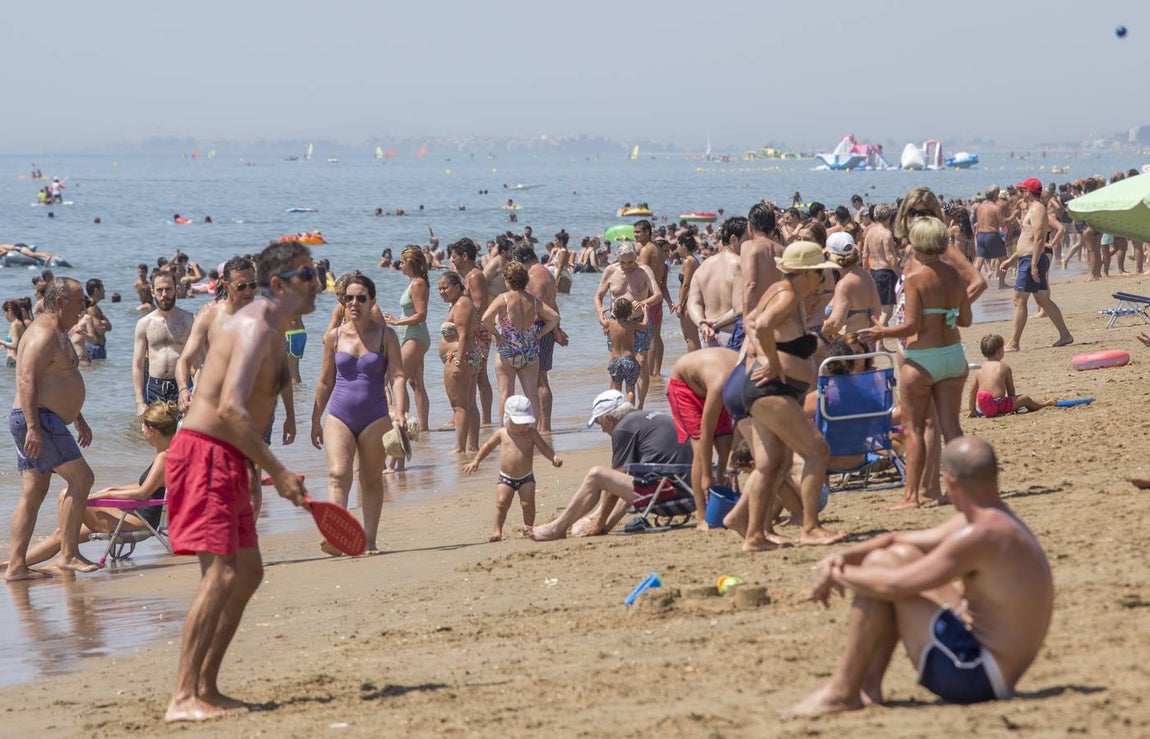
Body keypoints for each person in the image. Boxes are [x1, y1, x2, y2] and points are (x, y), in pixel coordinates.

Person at [782, 437, 1053, 717]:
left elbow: (894, 585)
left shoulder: (981, 536)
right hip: (987, 661)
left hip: (977, 677)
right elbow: (896, 540)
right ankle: (867, 688)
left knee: (882, 572)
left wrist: (838, 574)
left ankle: (841, 691)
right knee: (891, 557)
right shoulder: (994, 520)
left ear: (950, 483)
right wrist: (841, 558)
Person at [164, 241, 314, 723]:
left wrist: (250, 467)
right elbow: (229, 407)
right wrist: (278, 471)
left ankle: (205, 686)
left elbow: (250, 407)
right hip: (204, 454)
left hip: (231, 456)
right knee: (222, 573)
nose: (317, 282)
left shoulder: (275, 329)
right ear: (278, 285)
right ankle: (182, 696)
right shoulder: (253, 326)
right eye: (306, 275)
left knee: (248, 572)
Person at [860, 217, 972, 510]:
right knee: (952, 427)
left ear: (918, 243)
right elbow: (966, 320)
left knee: (914, 429)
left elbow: (910, 327)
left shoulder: (915, 278)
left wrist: (881, 332)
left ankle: (912, 496)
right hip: (952, 354)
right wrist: (944, 313)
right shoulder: (955, 275)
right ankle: (965, 490)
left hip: (923, 359)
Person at [738, 241, 843, 548]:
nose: (821, 283)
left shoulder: (779, 292)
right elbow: (762, 324)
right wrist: (770, 361)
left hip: (768, 390)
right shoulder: (785, 294)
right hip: (771, 389)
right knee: (816, 450)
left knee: (772, 465)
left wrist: (760, 354)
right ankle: (810, 528)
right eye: (820, 275)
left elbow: (751, 321)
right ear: (805, 273)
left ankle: (755, 535)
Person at [5, 278, 98, 581]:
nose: (83, 309)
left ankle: (17, 567)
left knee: (33, 492)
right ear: (60, 303)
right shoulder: (43, 334)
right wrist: (33, 427)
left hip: (42, 419)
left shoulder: (57, 331)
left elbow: (57, 379)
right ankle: (67, 555)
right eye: (79, 303)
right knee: (82, 478)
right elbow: (27, 380)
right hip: (38, 420)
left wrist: (77, 416)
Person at [311, 272, 407, 556]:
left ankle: (370, 539)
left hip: (375, 415)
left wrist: (400, 411)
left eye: (361, 298)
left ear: (372, 301)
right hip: (339, 414)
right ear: (342, 302)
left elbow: (398, 376)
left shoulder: (385, 335)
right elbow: (324, 381)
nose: (354, 303)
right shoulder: (334, 336)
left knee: (372, 478)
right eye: (349, 298)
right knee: (337, 474)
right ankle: (335, 535)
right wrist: (315, 419)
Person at [19, 400, 178, 567]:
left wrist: (105, 495)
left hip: (140, 522)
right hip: (135, 516)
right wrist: (111, 489)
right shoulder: (168, 454)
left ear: (152, 430)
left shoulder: (164, 458)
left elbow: (143, 493)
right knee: (63, 534)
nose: (142, 431)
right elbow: (147, 486)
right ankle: (13, 564)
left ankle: (67, 559)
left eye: (144, 427)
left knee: (67, 495)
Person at [531, 390, 693, 540]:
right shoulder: (647, 418)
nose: (602, 431)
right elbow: (626, 483)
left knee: (597, 475)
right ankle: (588, 521)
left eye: (600, 424)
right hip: (688, 490)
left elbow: (613, 489)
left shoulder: (623, 428)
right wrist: (606, 524)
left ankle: (557, 528)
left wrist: (598, 523)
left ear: (609, 418)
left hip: (667, 492)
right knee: (626, 478)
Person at [463, 395, 562, 542]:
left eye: (526, 423)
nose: (523, 427)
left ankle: (528, 527)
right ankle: (497, 531)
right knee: (501, 503)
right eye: (519, 423)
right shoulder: (502, 433)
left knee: (527, 504)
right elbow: (488, 446)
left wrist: (553, 457)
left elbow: (544, 448)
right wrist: (476, 460)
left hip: (526, 477)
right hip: (506, 477)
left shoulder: (532, 434)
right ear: (507, 418)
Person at [666, 347, 739, 526]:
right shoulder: (720, 385)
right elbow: (707, 433)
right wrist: (707, 475)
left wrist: (731, 465)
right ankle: (701, 515)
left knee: (726, 445)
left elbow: (742, 429)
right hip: (686, 389)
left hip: (712, 381)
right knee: (699, 452)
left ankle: (727, 501)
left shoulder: (748, 380)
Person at [481, 261, 558, 426]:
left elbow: (485, 319)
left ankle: (505, 431)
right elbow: (554, 318)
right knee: (532, 394)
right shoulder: (534, 301)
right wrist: (539, 334)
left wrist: (497, 335)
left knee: (505, 394)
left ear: (507, 280)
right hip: (529, 351)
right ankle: (533, 431)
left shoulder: (503, 299)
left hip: (508, 350)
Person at [1001, 178, 1074, 352]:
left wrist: (1033, 265)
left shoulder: (1037, 209)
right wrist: (1012, 259)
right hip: (1027, 258)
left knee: (1019, 299)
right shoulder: (1033, 209)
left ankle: (1013, 343)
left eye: (1022, 190)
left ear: (1028, 192)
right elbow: (1027, 238)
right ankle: (1065, 335)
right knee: (1042, 299)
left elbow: (1039, 238)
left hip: (1031, 260)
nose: (1020, 194)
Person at [593, 242, 662, 408]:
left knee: (641, 362)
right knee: (615, 362)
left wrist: (643, 302)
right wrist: (600, 312)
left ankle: (640, 406)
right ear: (618, 259)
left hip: (638, 321)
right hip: (616, 322)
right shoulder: (610, 271)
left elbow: (658, 295)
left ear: (635, 258)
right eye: (623, 262)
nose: (626, 266)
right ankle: (613, 406)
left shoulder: (644, 270)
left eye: (630, 262)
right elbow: (598, 296)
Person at [515, 243, 569, 432]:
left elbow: (540, 305)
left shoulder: (532, 274)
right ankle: (542, 424)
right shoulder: (546, 272)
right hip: (547, 326)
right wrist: (557, 329)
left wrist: (551, 331)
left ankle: (544, 426)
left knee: (539, 379)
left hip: (538, 327)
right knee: (540, 377)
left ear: (521, 260)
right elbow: (553, 305)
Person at [133, 271, 195, 416]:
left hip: (183, 386)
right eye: (160, 290)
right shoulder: (144, 324)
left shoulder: (190, 320)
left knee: (183, 434)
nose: (164, 294)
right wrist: (140, 402)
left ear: (177, 290)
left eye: (168, 289)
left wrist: (195, 390)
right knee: (155, 436)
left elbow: (199, 363)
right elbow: (138, 365)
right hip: (155, 387)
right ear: (152, 292)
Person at [383, 246, 431, 432]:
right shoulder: (414, 282)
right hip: (411, 334)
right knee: (416, 382)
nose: (400, 265)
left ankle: (404, 419)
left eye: (403, 262)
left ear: (412, 263)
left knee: (396, 378)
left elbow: (422, 314)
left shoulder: (418, 283)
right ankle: (422, 428)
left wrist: (396, 321)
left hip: (415, 335)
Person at [436, 271, 481, 454]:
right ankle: (472, 446)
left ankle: (460, 447)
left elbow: (463, 337)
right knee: (469, 403)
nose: (441, 291)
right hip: (467, 356)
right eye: (439, 288)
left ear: (457, 286)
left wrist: (459, 363)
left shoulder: (461, 304)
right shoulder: (459, 303)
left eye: (445, 287)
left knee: (459, 406)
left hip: (460, 357)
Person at [687, 217, 746, 349]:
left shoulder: (704, 266)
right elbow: (743, 305)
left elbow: (693, 303)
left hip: (707, 336)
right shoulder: (742, 264)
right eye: (748, 239)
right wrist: (717, 323)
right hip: (734, 333)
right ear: (733, 239)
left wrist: (702, 324)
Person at [968, 334, 1057, 418]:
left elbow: (972, 391)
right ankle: (1044, 405)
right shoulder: (1004, 367)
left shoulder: (979, 369)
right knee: (1025, 398)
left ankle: (980, 409)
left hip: (983, 407)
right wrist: (1015, 405)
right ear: (999, 352)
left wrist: (972, 410)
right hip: (998, 406)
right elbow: (1011, 390)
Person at [822, 232, 882, 344]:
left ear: (831, 256)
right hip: (864, 345)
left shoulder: (845, 284)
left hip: (848, 347)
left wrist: (821, 334)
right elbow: (877, 312)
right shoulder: (866, 276)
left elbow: (836, 323)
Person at [635, 220, 671, 377]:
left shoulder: (646, 250)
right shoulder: (659, 250)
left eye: (638, 232)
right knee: (656, 334)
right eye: (634, 231)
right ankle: (656, 370)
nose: (635, 234)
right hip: (657, 294)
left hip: (648, 295)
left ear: (647, 232)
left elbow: (640, 276)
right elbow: (662, 281)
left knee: (649, 334)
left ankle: (649, 372)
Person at [604, 297, 646, 403]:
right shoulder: (632, 324)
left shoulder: (609, 323)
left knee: (616, 389)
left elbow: (601, 320)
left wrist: (601, 312)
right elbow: (644, 325)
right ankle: (630, 411)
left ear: (614, 311)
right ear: (630, 312)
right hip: (629, 360)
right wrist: (646, 312)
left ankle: (615, 411)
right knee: (630, 390)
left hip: (615, 361)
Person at [670, 231, 702, 352]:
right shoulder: (693, 260)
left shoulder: (689, 262)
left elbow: (686, 284)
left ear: (683, 245)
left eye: (678, 245)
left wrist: (680, 303)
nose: (677, 248)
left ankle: (692, 366)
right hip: (690, 301)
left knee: (690, 338)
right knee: (691, 337)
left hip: (688, 303)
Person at [974, 185, 1010, 288]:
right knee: (1004, 260)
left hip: (980, 236)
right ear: (995, 195)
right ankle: (1001, 283)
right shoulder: (995, 208)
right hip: (992, 235)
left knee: (979, 262)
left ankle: (972, 283)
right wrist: (1013, 216)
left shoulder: (980, 207)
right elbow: (1003, 223)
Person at [2, 299, 28, 367]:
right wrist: (5, 345)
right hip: (17, 361)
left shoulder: (15, 325)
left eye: (4, 312)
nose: (4, 316)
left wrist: (1, 342)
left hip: (13, 361)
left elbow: (14, 345)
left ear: (9, 311)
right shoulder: (21, 323)